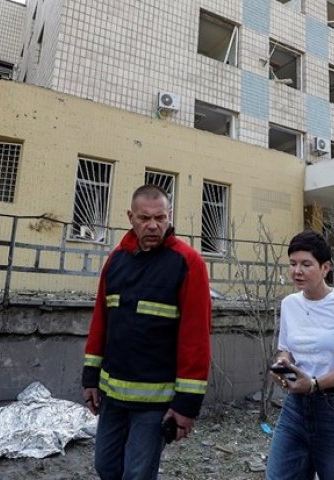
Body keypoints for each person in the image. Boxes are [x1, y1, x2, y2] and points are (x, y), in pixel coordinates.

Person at [81, 184, 212, 480]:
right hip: (112, 397)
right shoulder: (116, 260)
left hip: (154, 403)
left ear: (170, 216)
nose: (153, 225)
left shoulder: (188, 262)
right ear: (130, 217)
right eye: (144, 218)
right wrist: (90, 378)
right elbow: (101, 320)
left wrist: (185, 406)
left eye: (160, 218)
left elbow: (196, 338)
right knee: (106, 467)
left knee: (137, 475)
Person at [266, 229, 334, 480]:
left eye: (306, 264)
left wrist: (314, 384)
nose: (297, 271)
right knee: (279, 475)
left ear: (325, 268)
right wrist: (282, 365)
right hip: (295, 407)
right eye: (292, 264)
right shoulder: (290, 304)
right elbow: (286, 350)